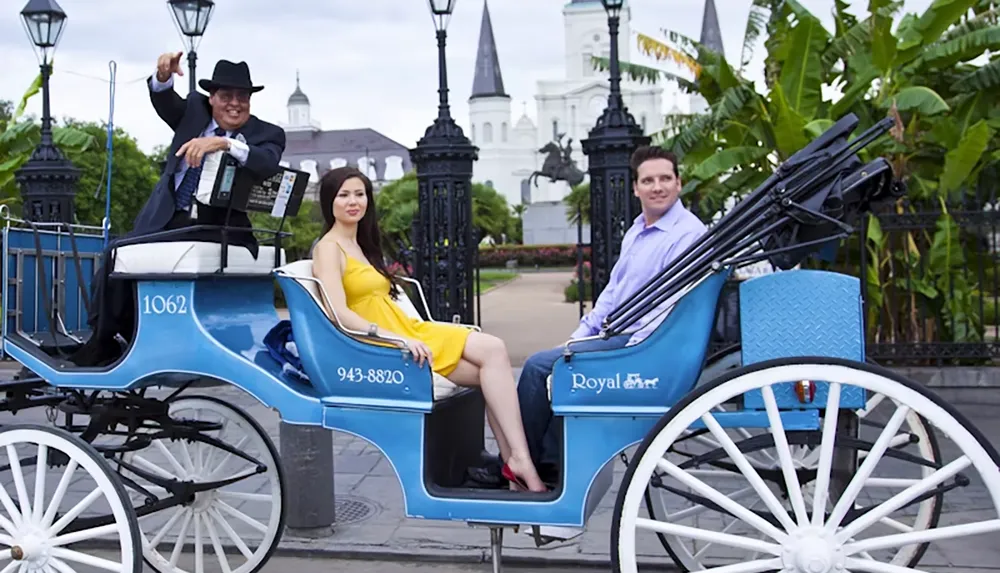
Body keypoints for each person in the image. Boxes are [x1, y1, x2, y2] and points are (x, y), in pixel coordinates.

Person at [311, 166, 548, 493]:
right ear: (329, 201)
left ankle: (513, 461)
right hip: (386, 341)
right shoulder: (329, 247)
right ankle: (520, 461)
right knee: (493, 349)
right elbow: (339, 312)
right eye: (344, 195)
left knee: (490, 370)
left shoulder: (361, 244)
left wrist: (405, 332)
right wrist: (396, 338)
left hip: (408, 329)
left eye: (360, 194)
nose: (353, 202)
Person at [69, 53, 286, 367]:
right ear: (212, 98)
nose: (235, 104)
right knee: (116, 255)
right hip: (167, 216)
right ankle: (110, 337)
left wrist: (224, 144)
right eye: (226, 96)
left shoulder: (265, 134)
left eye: (242, 97)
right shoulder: (194, 112)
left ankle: (112, 341)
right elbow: (165, 100)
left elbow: (266, 163)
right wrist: (162, 76)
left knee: (122, 253)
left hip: (218, 226)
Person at [516, 146, 708, 481]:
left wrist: (626, 351)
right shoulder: (638, 230)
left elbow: (668, 307)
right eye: (648, 180)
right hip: (620, 336)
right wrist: (581, 337)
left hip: (645, 344)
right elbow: (613, 293)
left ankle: (525, 463)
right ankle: (545, 461)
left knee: (536, 369)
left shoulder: (687, 234)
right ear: (636, 188)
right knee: (558, 360)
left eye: (665, 178)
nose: (657, 186)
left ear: (679, 183)